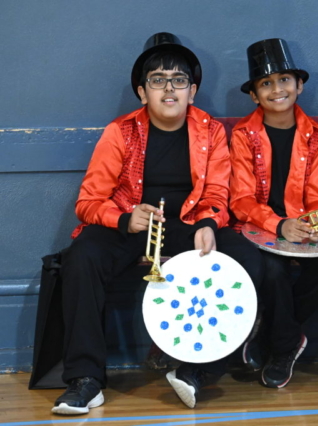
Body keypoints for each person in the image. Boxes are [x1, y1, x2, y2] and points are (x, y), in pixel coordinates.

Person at [47, 32, 263, 414]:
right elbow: (88, 202)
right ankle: (86, 381)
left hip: (187, 225)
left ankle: (197, 370)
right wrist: (124, 218)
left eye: (179, 80)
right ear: (142, 92)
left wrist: (209, 223)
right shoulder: (119, 132)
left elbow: (217, 192)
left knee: (250, 259)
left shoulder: (211, 131)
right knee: (81, 258)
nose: (169, 89)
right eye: (158, 79)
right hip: (133, 224)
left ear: (192, 91)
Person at [229, 38, 318, 389]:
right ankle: (284, 347)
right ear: (254, 95)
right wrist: (279, 224)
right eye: (266, 83)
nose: (277, 89)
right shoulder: (243, 135)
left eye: (284, 80)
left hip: (302, 226)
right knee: (272, 271)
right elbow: (241, 199)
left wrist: (315, 224)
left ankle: (270, 335)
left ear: (299, 85)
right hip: (257, 227)